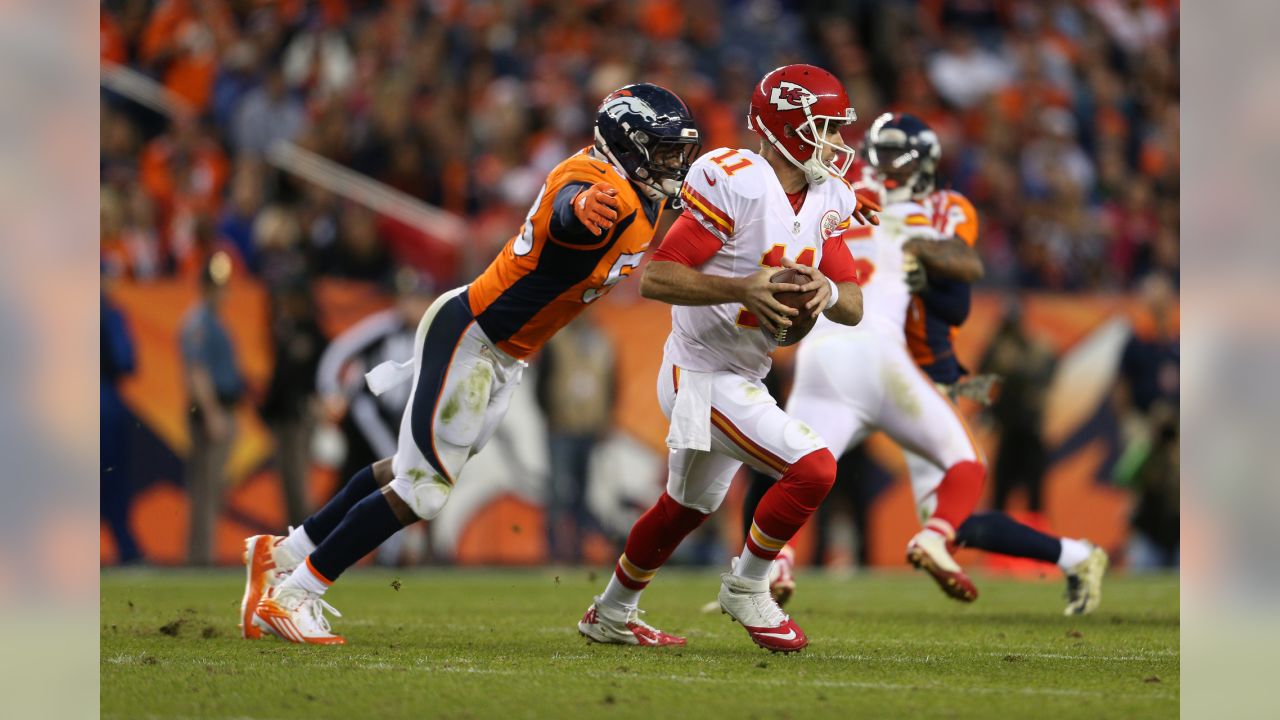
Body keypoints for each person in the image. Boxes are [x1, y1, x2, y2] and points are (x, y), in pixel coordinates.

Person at [237, 83, 702, 644]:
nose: (675, 163)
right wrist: (577, 211)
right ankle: (295, 594)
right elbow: (565, 210)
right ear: (626, 146)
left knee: (407, 470)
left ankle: (281, 555)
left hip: (503, 354)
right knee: (423, 490)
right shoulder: (600, 187)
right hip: (475, 339)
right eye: (664, 150)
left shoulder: (637, 191)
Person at [578, 64, 879, 653]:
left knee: (683, 508)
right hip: (698, 372)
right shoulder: (736, 179)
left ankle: (609, 613)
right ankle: (748, 584)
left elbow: (854, 304)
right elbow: (658, 278)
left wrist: (827, 291)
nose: (839, 143)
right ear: (790, 129)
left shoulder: (828, 196)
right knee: (813, 466)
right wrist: (745, 288)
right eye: (827, 128)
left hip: (745, 374)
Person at [784, 113, 989, 601]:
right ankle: (935, 536)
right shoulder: (903, 211)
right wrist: (916, 241)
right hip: (878, 353)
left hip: (819, 354)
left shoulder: (824, 199)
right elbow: (968, 266)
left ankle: (776, 562)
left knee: (792, 472)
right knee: (966, 463)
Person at [314, 268, 436, 565]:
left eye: (418, 299)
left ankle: (319, 541)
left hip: (398, 419)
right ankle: (390, 553)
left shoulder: (432, 333)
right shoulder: (384, 326)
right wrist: (331, 391)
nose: (411, 307)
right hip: (367, 413)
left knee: (358, 484)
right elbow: (339, 352)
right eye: (406, 298)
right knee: (399, 473)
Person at [535, 315, 617, 563]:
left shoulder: (602, 342)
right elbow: (540, 384)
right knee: (559, 492)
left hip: (589, 428)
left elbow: (611, 385)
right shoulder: (555, 340)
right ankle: (554, 551)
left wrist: (605, 418)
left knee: (583, 493)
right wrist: (550, 414)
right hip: (561, 427)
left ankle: (578, 551)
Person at [180, 251, 245, 565]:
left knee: (210, 486)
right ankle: (201, 557)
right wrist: (213, 414)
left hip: (222, 406)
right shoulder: (199, 322)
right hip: (212, 408)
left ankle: (202, 554)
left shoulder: (212, 320)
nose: (224, 291)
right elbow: (197, 372)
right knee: (207, 487)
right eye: (218, 285)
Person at [102, 292, 142, 564]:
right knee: (111, 480)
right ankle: (127, 547)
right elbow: (125, 360)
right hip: (105, 403)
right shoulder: (109, 313)